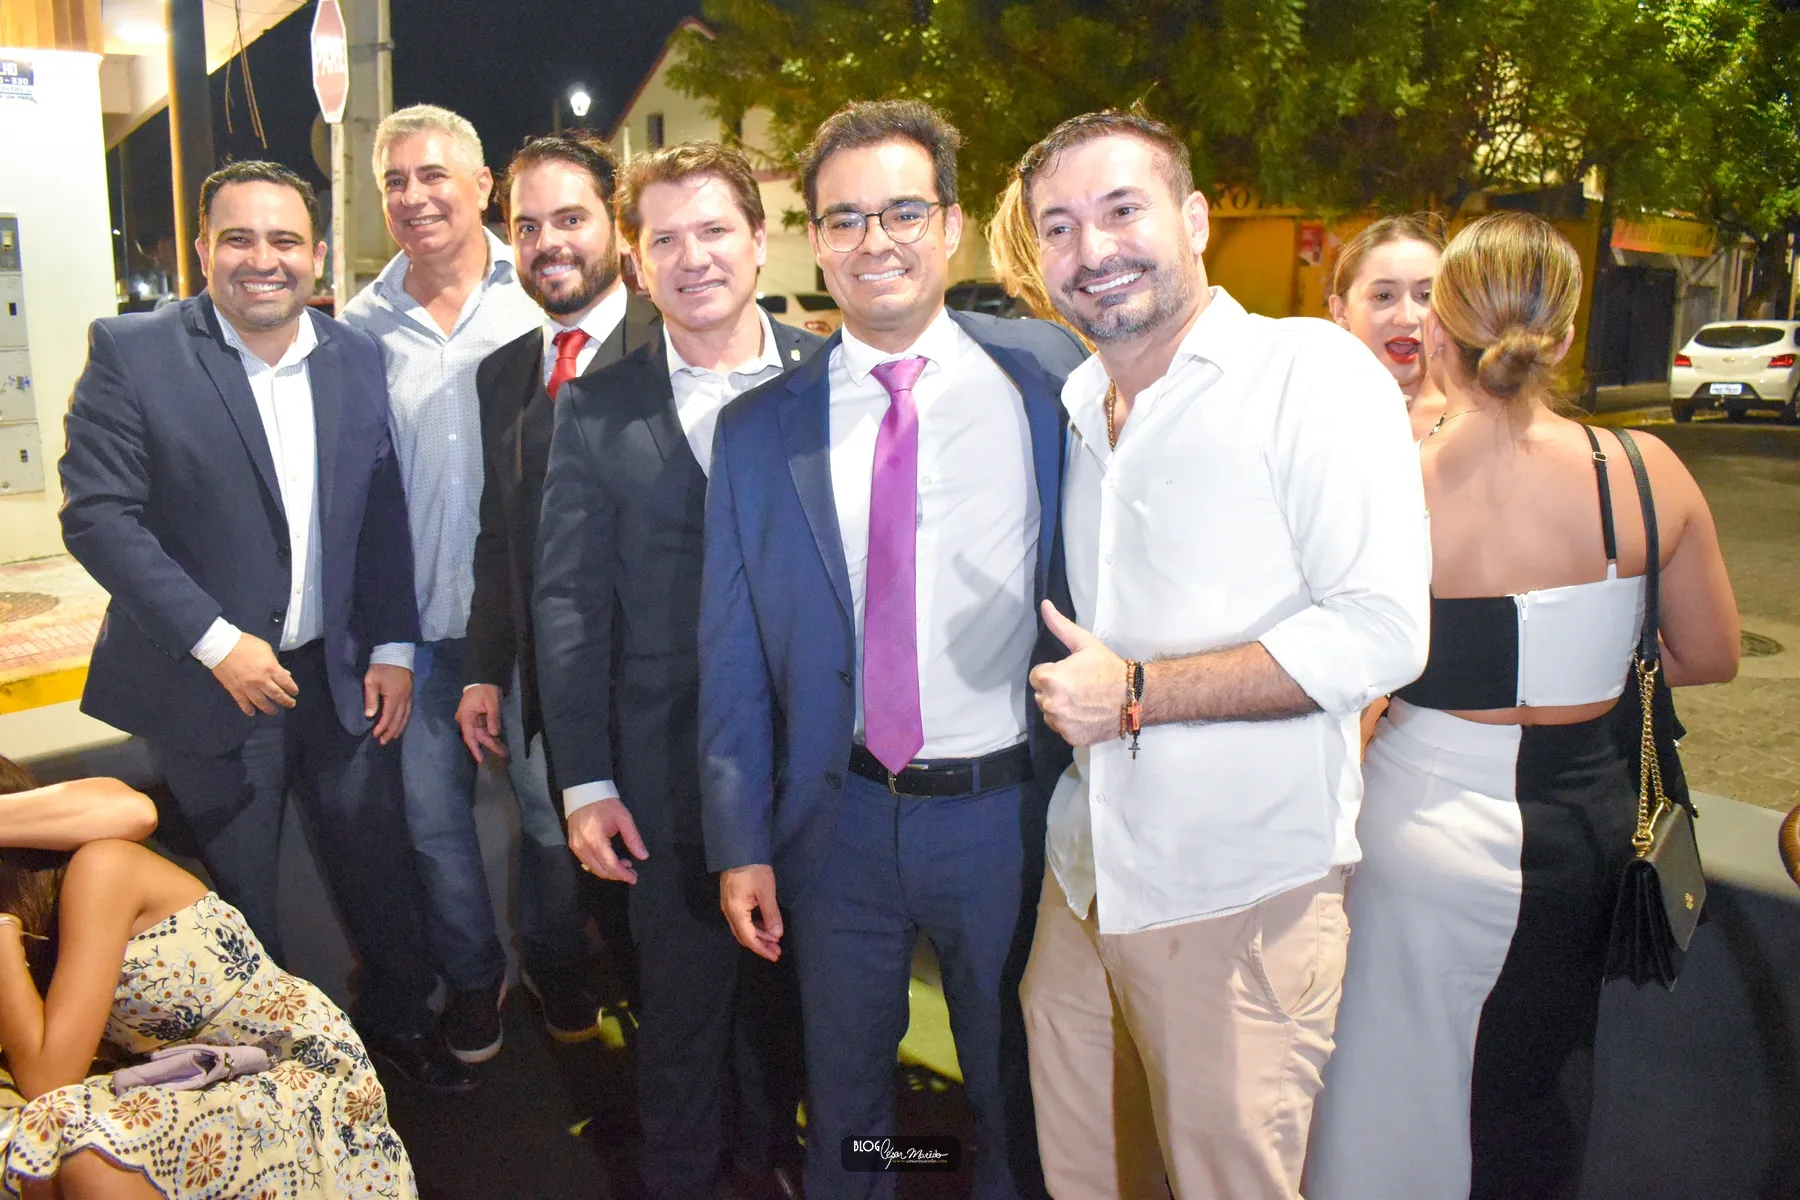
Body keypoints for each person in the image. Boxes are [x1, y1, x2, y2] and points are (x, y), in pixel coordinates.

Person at [1014, 109, 1431, 1200]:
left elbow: (1385, 630)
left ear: (1195, 219)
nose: (1093, 249)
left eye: (1123, 210)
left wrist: (1138, 695)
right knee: (1086, 1178)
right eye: (1059, 227)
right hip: (1086, 879)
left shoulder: (1310, 373)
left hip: (1238, 894)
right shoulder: (1080, 398)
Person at [1304, 212, 1740, 1200]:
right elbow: (1709, 654)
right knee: (1537, 1087)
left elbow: (1343, 675)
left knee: (1386, 1087)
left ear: (1442, 331)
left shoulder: (1392, 486)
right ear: (1566, 331)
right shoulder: (1646, 474)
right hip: (1585, 828)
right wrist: (1573, 654)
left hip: (1414, 827)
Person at [699, 99, 1087, 1200]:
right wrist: (741, 841)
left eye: (904, 211)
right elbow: (732, 652)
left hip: (1007, 820)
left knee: (1014, 1097)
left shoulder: (1048, 379)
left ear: (951, 225)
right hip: (842, 824)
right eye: (846, 218)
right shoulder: (758, 430)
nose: (877, 240)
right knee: (849, 1107)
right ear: (816, 242)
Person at [59, 159, 465, 1092]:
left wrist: (393, 646)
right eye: (238, 238)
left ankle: (400, 1028)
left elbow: (381, 512)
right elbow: (98, 517)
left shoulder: (353, 355)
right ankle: (269, 1079)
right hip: (208, 682)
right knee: (238, 904)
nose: (262, 259)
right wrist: (217, 642)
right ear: (202, 249)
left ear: (316, 254)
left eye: (284, 239)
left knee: (379, 872)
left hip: (337, 675)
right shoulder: (133, 350)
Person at [535, 140, 819, 1200]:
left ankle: (784, 1157)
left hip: (818, 762)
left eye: (714, 230)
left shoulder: (835, 379)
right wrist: (584, 781)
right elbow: (567, 603)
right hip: (664, 770)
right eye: (666, 239)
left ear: (759, 239)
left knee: (811, 1002)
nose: (693, 257)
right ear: (638, 262)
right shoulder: (596, 408)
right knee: (685, 1015)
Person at [342, 105, 547, 1064]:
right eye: (395, 181)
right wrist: (385, 638)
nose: (414, 196)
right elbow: (360, 493)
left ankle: (562, 960)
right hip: (423, 632)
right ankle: (476, 980)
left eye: (433, 175)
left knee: (554, 814)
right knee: (432, 824)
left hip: (533, 622)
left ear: (481, 185)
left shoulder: (539, 296)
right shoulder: (359, 327)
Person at [0, 758, 417, 1199]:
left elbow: (48, 1078)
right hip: (192, 1075)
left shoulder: (102, 868)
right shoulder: (45, 921)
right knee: (37, 1152)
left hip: (284, 1061)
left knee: (91, 1163)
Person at [457, 131, 654, 1052]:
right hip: (546, 683)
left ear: (616, 224)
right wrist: (483, 668)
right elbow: (499, 536)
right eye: (527, 226)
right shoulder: (503, 374)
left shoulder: (676, 345)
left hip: (663, 689)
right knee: (563, 846)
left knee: (663, 892)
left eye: (570, 219)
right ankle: (581, 996)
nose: (548, 243)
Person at [1328, 213, 1449, 440]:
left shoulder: (1482, 418)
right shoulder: (1309, 416)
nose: (1407, 318)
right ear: (1341, 311)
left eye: (1425, 295)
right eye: (1384, 296)